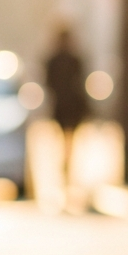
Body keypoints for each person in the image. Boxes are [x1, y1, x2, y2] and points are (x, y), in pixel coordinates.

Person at [44, 25, 88, 178]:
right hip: (68, 103)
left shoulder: (57, 60)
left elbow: (49, 83)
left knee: (66, 135)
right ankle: (66, 161)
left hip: (67, 103)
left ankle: (67, 161)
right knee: (67, 135)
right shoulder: (70, 59)